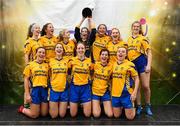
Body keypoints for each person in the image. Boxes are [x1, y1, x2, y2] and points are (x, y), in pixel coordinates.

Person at [127, 21, 152, 116]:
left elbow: (149, 52)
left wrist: (148, 65)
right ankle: (139, 106)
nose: (136, 28)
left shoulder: (143, 38)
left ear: (140, 28)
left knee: (145, 86)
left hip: (142, 63)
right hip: (133, 65)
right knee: (136, 87)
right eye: (134, 26)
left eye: (138, 26)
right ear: (132, 28)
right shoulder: (128, 39)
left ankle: (148, 105)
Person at [18, 47, 49, 118]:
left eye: (43, 53)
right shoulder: (30, 65)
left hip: (44, 90)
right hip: (35, 90)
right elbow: (26, 79)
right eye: (40, 52)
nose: (41, 54)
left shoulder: (47, 65)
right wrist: (27, 94)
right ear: (36, 53)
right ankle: (23, 109)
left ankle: (35, 108)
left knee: (44, 114)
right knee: (34, 115)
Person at [111, 46, 139, 120]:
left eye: (123, 52)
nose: (120, 53)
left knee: (130, 117)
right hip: (115, 94)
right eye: (119, 51)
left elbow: (137, 78)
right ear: (116, 54)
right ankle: (122, 106)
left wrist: (135, 92)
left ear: (126, 54)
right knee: (116, 116)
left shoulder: (130, 64)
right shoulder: (113, 64)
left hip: (126, 94)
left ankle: (131, 105)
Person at [69, 43, 92, 117]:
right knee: (73, 114)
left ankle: (82, 103)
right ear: (76, 50)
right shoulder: (72, 60)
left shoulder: (89, 61)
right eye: (79, 48)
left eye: (82, 48)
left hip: (85, 87)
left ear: (85, 50)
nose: (80, 50)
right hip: (74, 87)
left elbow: (92, 72)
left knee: (87, 114)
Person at [48, 43, 69, 118]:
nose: (59, 49)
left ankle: (60, 105)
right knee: (54, 116)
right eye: (57, 47)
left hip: (64, 90)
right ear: (54, 50)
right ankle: (52, 106)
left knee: (62, 115)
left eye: (61, 47)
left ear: (63, 51)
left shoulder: (67, 61)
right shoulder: (50, 61)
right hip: (54, 89)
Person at [23, 23, 41, 108]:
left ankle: (33, 105)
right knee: (29, 85)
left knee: (35, 86)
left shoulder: (40, 41)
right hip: (32, 67)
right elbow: (26, 55)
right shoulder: (29, 41)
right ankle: (26, 106)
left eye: (39, 28)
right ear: (32, 30)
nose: (38, 30)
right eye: (36, 28)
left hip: (39, 67)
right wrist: (28, 67)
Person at [92, 49, 113, 118]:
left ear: (108, 57)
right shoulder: (95, 65)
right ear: (100, 56)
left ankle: (103, 105)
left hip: (105, 92)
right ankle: (97, 105)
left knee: (110, 115)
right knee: (96, 115)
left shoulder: (111, 66)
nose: (104, 56)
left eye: (106, 55)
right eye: (102, 54)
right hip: (95, 92)